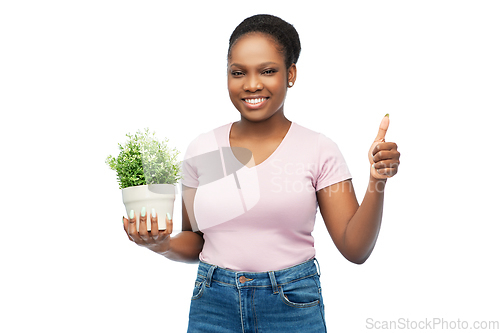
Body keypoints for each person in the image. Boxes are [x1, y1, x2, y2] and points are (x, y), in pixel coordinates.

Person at [122, 14, 400, 332]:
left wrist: (377, 182)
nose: (252, 84)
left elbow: (355, 249)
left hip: (291, 305)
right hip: (212, 304)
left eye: (267, 71)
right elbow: (196, 241)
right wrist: (161, 244)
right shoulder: (202, 149)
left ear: (290, 74)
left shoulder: (318, 150)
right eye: (238, 72)